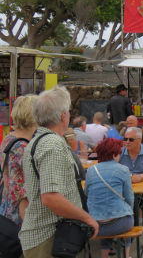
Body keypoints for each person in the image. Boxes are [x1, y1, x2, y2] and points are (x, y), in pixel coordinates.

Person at [19, 86, 99, 256]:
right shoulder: (52, 144)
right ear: (64, 115)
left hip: (47, 236)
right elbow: (50, 197)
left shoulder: (38, 140)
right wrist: (87, 218)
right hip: (49, 238)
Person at [85, 138, 134, 258]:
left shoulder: (91, 170)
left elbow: (86, 193)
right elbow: (129, 198)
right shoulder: (123, 169)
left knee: (104, 216)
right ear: (114, 154)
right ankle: (126, 255)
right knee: (127, 214)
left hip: (95, 226)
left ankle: (104, 255)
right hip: (119, 224)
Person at [0, 95, 37, 227]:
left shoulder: (9, 138)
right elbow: (24, 191)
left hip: (6, 208)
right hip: (20, 216)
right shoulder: (24, 148)